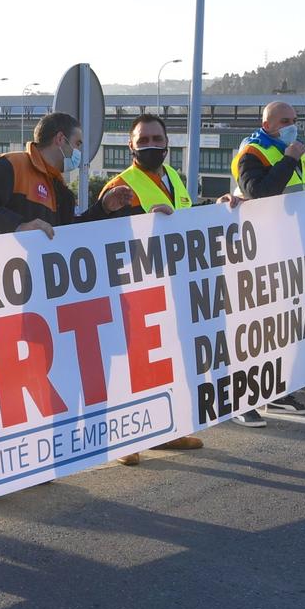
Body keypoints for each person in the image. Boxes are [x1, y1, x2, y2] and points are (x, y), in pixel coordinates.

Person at [98, 113, 226, 466]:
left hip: (173, 286)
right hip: (134, 289)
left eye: (158, 139)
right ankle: (126, 438)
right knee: (133, 365)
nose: (152, 146)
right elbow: (104, 237)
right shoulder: (119, 186)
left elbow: (185, 220)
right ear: (131, 146)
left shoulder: (172, 178)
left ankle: (167, 429)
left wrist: (215, 210)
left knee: (167, 361)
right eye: (145, 140)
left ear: (168, 143)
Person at [228, 101, 305, 425]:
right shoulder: (254, 151)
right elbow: (261, 192)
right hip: (258, 251)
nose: (292, 125)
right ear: (267, 124)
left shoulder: (291, 151)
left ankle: (275, 392)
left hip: (287, 250)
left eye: (294, 120)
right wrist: (290, 157)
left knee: (281, 330)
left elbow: (295, 197)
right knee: (255, 329)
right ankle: (243, 398)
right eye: (284, 120)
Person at [0, 111, 134, 241]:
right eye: (77, 143)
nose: (79, 151)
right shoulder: (12, 164)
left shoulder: (62, 191)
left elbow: (70, 234)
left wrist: (103, 208)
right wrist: (19, 227)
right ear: (60, 139)